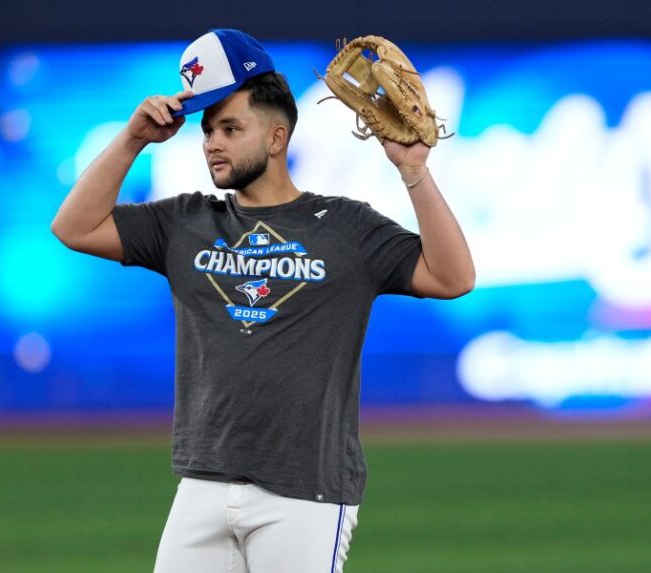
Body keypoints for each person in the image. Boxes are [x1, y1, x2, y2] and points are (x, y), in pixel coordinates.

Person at [51, 28, 474, 573]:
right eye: (207, 130)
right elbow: (74, 227)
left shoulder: (345, 226)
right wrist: (132, 139)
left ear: (276, 138)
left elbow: (453, 276)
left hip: (305, 491)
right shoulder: (186, 221)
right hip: (202, 483)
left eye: (230, 127)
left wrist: (414, 171)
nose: (212, 143)